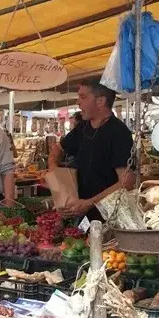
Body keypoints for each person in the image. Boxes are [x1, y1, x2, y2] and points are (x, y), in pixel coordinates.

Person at [50, 80, 134, 221]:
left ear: (100, 101)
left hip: (108, 217)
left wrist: (90, 203)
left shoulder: (118, 132)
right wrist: (55, 175)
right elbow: (57, 149)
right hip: (80, 214)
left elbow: (127, 181)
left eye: (83, 97)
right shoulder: (83, 127)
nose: (78, 102)